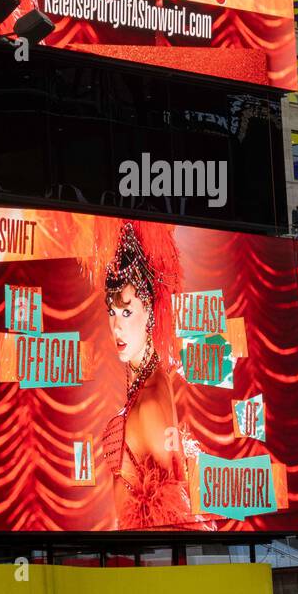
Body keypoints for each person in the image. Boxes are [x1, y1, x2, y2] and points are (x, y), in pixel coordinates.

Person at [96, 221, 207, 531]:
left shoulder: (150, 401)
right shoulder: (144, 385)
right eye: (112, 312)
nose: (116, 326)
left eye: (127, 311)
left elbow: (176, 507)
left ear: (150, 313)